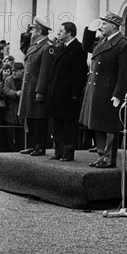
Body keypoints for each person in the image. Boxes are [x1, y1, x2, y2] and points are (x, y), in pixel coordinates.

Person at [80, 13, 127, 168]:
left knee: (109, 126)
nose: (101, 27)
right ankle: (102, 156)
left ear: (113, 26)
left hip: (109, 90)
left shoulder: (123, 44)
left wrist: (119, 94)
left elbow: (125, 73)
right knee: (98, 124)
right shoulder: (103, 41)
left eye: (104, 24)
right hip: (97, 90)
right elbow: (86, 46)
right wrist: (89, 30)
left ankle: (109, 159)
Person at [47, 22, 88, 161]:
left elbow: (79, 73)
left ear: (69, 32)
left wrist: (75, 94)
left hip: (69, 95)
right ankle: (58, 151)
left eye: (61, 31)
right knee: (57, 123)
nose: (58, 33)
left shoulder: (78, 48)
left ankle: (68, 153)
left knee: (69, 125)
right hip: (58, 94)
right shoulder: (61, 48)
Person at [18, 17, 54, 156]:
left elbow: (45, 72)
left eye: (33, 29)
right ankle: (33, 145)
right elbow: (23, 47)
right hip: (29, 87)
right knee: (30, 117)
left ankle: (40, 146)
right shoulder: (34, 45)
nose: (31, 31)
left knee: (39, 119)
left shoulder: (47, 47)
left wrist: (41, 91)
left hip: (37, 88)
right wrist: (27, 34)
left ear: (39, 31)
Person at [2, 62, 25, 152]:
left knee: (22, 132)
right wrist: (15, 93)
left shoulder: (25, 79)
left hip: (22, 109)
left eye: (16, 71)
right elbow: (5, 90)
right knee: (10, 133)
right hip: (11, 110)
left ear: (22, 71)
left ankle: (22, 148)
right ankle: (12, 150)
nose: (14, 73)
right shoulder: (8, 80)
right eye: (13, 71)